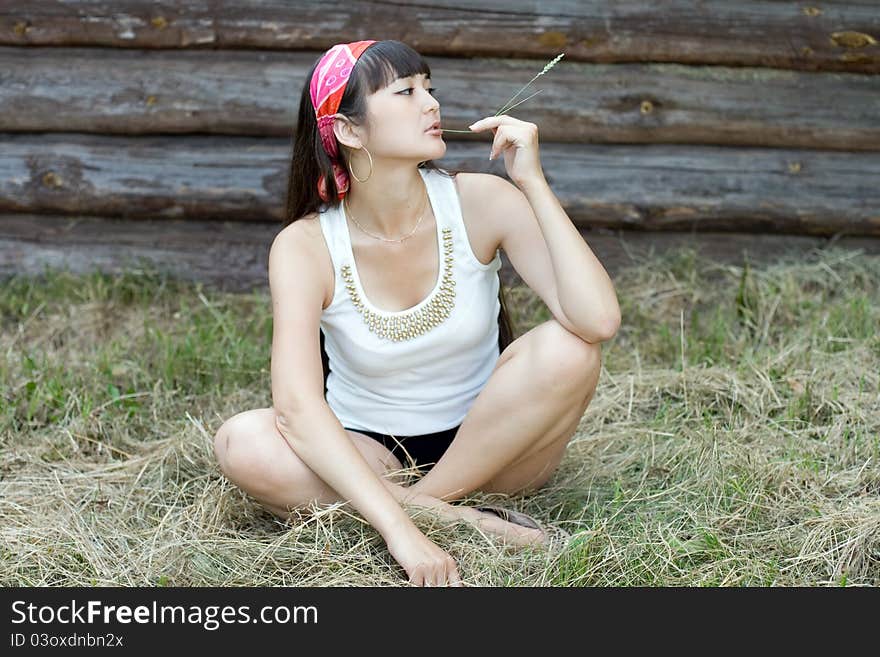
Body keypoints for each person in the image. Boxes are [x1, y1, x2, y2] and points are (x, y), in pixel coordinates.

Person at [212, 40, 620, 586]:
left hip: (499, 450)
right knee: (243, 442)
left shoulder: (481, 200)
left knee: (571, 348)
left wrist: (534, 183)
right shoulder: (305, 246)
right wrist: (405, 531)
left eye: (429, 88)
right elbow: (296, 409)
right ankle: (450, 516)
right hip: (368, 452)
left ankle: (415, 502)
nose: (430, 104)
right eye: (405, 92)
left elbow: (598, 321)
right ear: (349, 131)